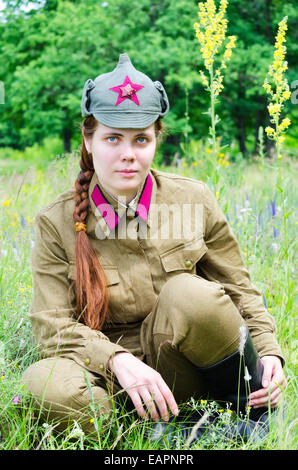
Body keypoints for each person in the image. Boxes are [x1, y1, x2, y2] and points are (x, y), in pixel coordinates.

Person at [22, 53, 286, 443]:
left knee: (189, 293)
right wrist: (116, 359)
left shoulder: (193, 199)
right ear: (88, 140)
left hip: (187, 369)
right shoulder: (56, 222)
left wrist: (268, 355)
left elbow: (239, 289)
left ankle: (244, 418)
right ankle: (138, 435)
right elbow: (51, 326)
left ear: (155, 141)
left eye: (141, 139)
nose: (128, 154)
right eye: (113, 138)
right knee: (43, 385)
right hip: (112, 383)